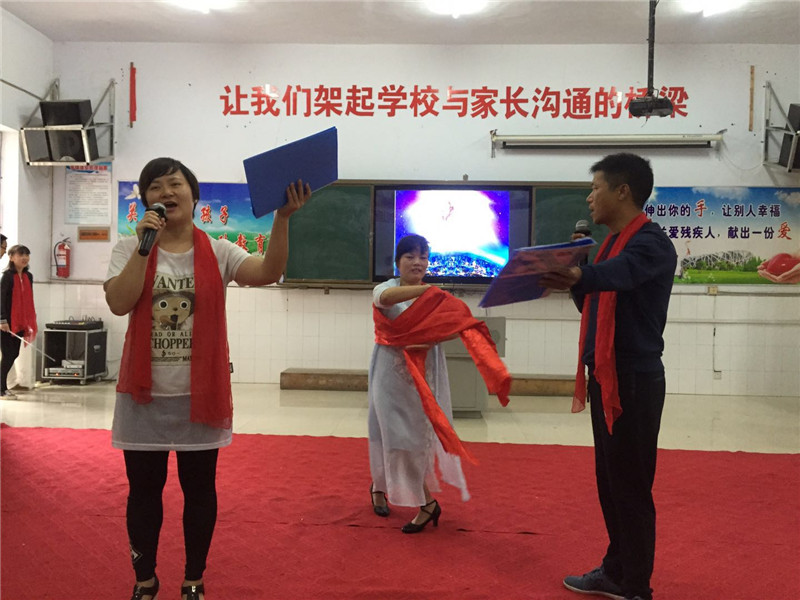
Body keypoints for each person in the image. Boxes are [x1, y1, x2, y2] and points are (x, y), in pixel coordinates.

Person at [104, 157, 309, 600]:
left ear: (194, 196)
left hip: (200, 398)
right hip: (143, 398)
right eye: (155, 187)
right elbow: (120, 303)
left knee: (199, 492)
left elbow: (267, 273)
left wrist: (283, 218)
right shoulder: (128, 247)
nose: (166, 192)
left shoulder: (219, 251)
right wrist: (144, 248)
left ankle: (193, 578)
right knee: (143, 493)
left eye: (175, 184)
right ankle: (145, 579)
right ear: (146, 201)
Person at [540, 153, 677, 600]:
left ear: (622, 191)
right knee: (611, 482)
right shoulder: (610, 246)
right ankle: (616, 570)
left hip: (633, 379)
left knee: (631, 485)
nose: (589, 197)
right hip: (607, 375)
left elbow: (622, 275)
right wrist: (578, 277)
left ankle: (636, 587)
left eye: (595, 188)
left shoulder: (650, 244)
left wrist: (583, 272)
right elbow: (594, 301)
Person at [368, 234, 510, 533]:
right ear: (397, 262)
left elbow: (455, 327)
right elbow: (383, 299)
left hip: (424, 370)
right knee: (387, 432)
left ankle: (412, 497)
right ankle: (397, 493)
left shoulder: (437, 299)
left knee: (415, 437)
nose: (417, 262)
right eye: (410, 256)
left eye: (423, 256)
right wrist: (426, 291)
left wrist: (434, 335)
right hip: (390, 372)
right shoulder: (390, 288)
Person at [0, 245, 37, 398]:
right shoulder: (7, 276)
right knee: (8, 355)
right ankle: (1, 388)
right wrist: (2, 319)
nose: (24, 258)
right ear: (11, 257)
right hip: (7, 323)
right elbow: (1, 299)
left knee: (14, 353)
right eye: (20, 254)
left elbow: (28, 300)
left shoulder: (29, 276)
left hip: (21, 322)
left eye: (27, 254)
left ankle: (2, 387)